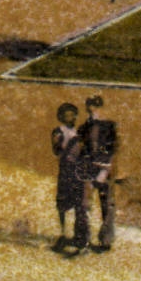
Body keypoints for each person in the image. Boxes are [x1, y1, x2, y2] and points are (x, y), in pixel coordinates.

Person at [79, 95, 118, 252]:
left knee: (107, 205)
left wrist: (106, 170)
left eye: (95, 106)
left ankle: (106, 240)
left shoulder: (109, 126)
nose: (92, 109)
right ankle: (85, 238)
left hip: (104, 169)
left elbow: (113, 149)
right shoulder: (83, 128)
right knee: (85, 204)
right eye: (90, 106)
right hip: (89, 169)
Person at [50, 103, 89, 253]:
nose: (70, 117)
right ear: (62, 117)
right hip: (66, 170)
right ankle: (63, 233)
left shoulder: (77, 131)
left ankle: (77, 235)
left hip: (77, 170)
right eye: (67, 115)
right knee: (63, 202)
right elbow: (56, 151)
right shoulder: (59, 131)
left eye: (72, 114)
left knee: (78, 202)